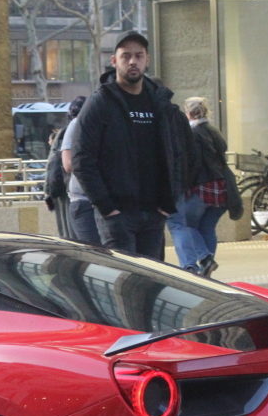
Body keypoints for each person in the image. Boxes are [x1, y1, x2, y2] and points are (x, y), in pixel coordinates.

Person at [72, 32, 186, 260]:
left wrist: (169, 200)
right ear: (114, 61)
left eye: (138, 56)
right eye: (126, 56)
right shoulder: (100, 103)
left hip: (154, 212)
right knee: (123, 283)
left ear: (147, 60)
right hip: (117, 215)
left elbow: (181, 153)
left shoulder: (159, 103)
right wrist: (106, 207)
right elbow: (81, 158)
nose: (133, 61)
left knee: (152, 282)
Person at [166, 97, 239, 275]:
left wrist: (184, 185)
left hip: (202, 188)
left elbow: (193, 163)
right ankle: (207, 266)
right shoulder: (214, 131)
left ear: (188, 113)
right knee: (207, 227)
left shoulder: (193, 134)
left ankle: (205, 258)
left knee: (186, 225)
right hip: (221, 188)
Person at [58, 95, 100, 245]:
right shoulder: (77, 124)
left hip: (111, 202)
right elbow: (68, 164)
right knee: (94, 253)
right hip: (84, 200)